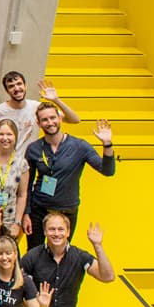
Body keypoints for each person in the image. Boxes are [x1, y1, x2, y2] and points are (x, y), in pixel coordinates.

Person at [23, 104, 115, 246]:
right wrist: (26, 213)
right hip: (39, 211)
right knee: (35, 252)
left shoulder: (80, 146)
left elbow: (107, 171)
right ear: (39, 123)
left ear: (60, 118)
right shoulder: (33, 149)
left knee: (61, 253)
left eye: (53, 118)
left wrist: (107, 144)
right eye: (45, 120)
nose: (50, 122)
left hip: (67, 211)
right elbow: (26, 185)